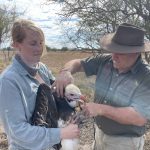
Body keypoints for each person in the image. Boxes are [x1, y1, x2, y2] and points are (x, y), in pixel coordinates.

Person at [53, 23, 150, 150]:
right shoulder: (105, 60)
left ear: (136, 53)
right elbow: (77, 63)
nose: (114, 56)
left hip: (124, 142)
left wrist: (100, 109)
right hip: (99, 133)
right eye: (113, 49)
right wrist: (65, 71)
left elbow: (139, 118)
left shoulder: (146, 77)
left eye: (121, 52)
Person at [0, 19, 80, 150]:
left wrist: (68, 90)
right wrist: (61, 133)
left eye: (41, 42)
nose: (39, 48)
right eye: (33, 43)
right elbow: (18, 132)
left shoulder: (41, 68)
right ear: (17, 45)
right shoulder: (9, 81)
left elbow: (54, 97)